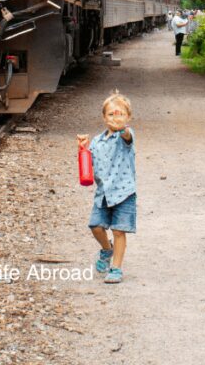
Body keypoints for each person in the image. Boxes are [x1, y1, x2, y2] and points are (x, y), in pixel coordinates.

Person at [76, 90, 136, 284]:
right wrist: (83, 148)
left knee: (119, 231)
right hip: (103, 194)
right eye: (111, 114)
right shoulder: (97, 141)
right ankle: (106, 249)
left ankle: (116, 268)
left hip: (124, 192)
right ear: (103, 117)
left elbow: (127, 136)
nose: (115, 118)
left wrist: (122, 129)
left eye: (120, 114)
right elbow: (88, 162)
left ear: (128, 117)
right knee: (95, 226)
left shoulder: (126, 135)